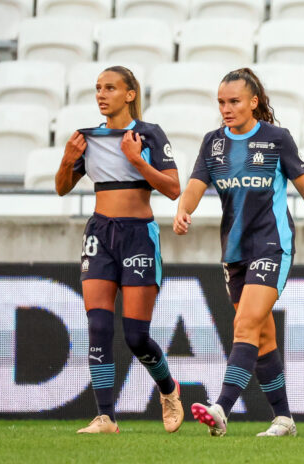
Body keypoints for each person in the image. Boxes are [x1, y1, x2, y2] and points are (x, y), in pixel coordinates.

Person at [174, 68, 304, 437]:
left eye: (234, 101)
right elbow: (196, 184)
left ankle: (221, 407)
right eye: (221, 102)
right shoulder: (213, 142)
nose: (226, 109)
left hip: (272, 245)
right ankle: (284, 418)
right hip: (234, 252)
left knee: (245, 325)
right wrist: (184, 209)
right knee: (261, 336)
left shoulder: (275, 139)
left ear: (253, 102)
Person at [55, 66, 183, 434]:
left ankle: (168, 389)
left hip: (138, 235)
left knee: (135, 336)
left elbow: (174, 189)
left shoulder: (148, 134)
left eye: (110, 87)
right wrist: (66, 158)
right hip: (100, 233)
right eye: (97, 88)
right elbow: (63, 188)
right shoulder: (86, 137)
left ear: (129, 94)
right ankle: (106, 416)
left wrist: (138, 160)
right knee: (97, 324)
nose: (101, 94)